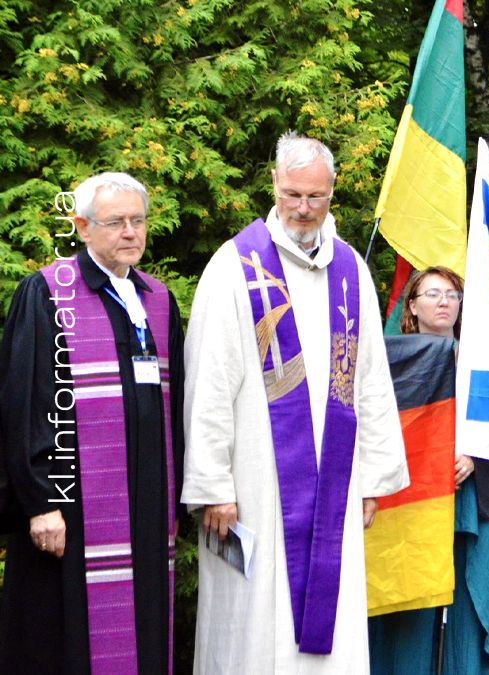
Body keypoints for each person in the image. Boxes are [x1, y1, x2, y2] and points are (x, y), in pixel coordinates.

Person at [182, 132, 409, 673]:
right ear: (275, 188)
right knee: (255, 622)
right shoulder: (235, 266)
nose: (303, 209)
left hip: (336, 478)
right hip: (253, 484)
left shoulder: (351, 272)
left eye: (315, 197)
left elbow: (372, 382)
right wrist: (212, 484)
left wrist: (374, 479)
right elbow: (208, 383)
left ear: (333, 193)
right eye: (292, 196)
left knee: (336, 616)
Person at [0, 172, 184, 674]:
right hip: (71, 513)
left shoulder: (157, 301)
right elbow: (23, 404)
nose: (130, 233)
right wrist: (41, 504)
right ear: (82, 226)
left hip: (145, 507)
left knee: (143, 631)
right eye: (116, 222)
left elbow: (177, 406)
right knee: (66, 643)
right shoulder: (47, 294)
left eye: (138, 221)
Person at [369, 267, 489, 674]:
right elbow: (379, 428)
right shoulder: (391, 359)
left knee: (463, 600)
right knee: (411, 603)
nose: (444, 301)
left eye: (452, 294)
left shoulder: (482, 362)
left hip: (467, 496)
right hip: (411, 499)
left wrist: (475, 454)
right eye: (432, 293)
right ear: (412, 305)